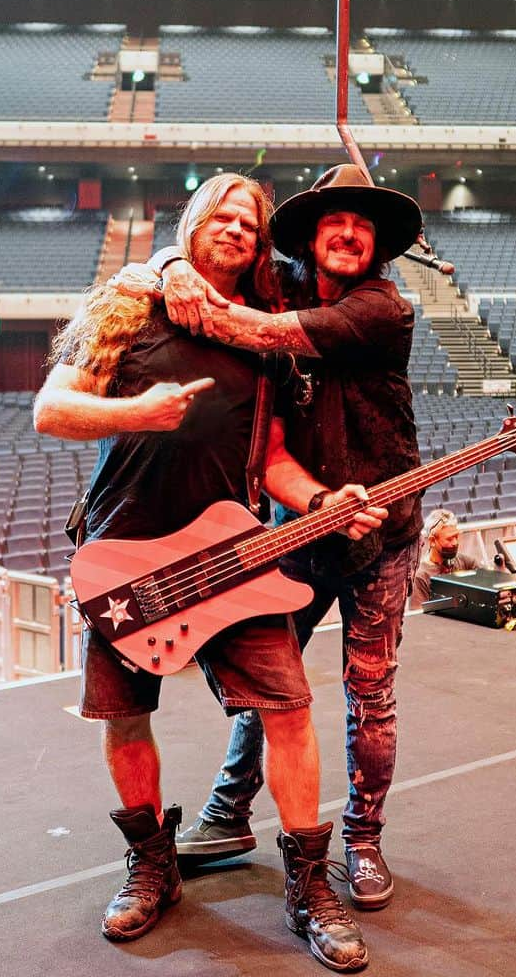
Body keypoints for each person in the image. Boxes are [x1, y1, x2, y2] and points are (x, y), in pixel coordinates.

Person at [33, 173, 384, 973]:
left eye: (249, 225)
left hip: (233, 556)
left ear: (261, 246)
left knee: (289, 708)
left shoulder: (256, 336)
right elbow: (50, 409)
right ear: (190, 225)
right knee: (126, 718)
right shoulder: (129, 307)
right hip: (125, 554)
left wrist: (326, 502)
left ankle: (307, 886)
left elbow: (271, 460)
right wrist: (135, 413)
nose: (234, 231)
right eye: (220, 217)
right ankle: (152, 866)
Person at [129, 164, 424, 912]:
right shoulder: (278, 279)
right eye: (336, 220)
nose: (350, 232)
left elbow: (250, 328)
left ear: (379, 244)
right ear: (313, 233)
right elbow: (204, 264)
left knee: (371, 694)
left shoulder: (385, 306)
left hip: (382, 532)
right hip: (301, 519)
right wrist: (169, 263)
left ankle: (361, 840)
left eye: (364, 224)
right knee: (273, 683)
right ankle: (229, 814)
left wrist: (182, 286)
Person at [411, 509, 476, 610]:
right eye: (449, 539)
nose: (455, 543)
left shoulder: (464, 562)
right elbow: (418, 618)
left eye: (456, 537)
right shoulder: (421, 576)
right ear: (432, 541)